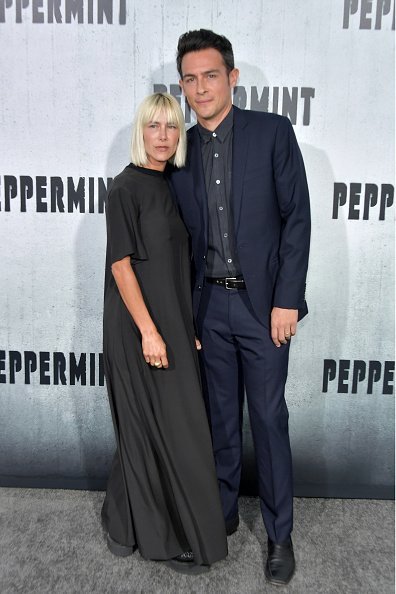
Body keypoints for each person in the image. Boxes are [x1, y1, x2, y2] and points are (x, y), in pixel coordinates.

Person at [169, 30, 311, 586]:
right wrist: (187, 317)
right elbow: (175, 239)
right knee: (220, 421)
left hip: (263, 310)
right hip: (209, 309)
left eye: (210, 75)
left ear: (232, 77)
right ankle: (221, 514)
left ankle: (280, 533)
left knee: (269, 420)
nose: (200, 88)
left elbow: (296, 218)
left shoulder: (272, 133)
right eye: (189, 79)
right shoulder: (177, 150)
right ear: (180, 86)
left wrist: (286, 301)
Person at [101, 92, 228, 574]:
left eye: (172, 127)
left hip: (171, 324)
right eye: (154, 126)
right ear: (141, 132)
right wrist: (152, 333)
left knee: (166, 426)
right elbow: (121, 267)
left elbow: (177, 267)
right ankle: (156, 537)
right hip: (137, 327)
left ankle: (122, 519)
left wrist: (185, 328)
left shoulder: (172, 185)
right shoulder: (124, 188)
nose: (163, 136)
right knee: (147, 427)